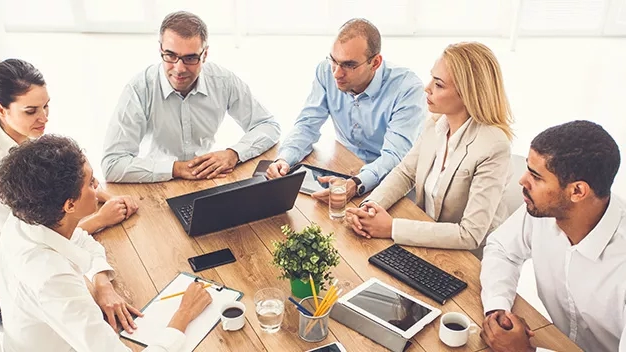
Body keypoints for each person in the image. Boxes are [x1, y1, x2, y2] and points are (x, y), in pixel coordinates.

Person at [0, 59, 138, 326]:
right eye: (32, 111)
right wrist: (101, 219)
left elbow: (66, 181)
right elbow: (35, 237)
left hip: (36, 254)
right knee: (108, 308)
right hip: (2, 280)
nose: (44, 118)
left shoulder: (26, 135)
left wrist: (107, 197)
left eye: (46, 106)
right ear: (0, 109)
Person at [0, 134, 212, 351]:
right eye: (90, 183)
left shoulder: (25, 216)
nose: (98, 185)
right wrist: (183, 316)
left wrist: (102, 284)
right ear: (69, 205)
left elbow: (83, 241)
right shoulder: (52, 279)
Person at [345, 42, 513, 255]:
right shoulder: (435, 123)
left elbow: (470, 234)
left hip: (469, 259)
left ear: (468, 94)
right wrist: (370, 207)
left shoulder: (493, 147)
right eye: (432, 78)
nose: (427, 87)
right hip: (424, 244)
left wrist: (391, 228)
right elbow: (405, 173)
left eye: (439, 85)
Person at [479, 121, 624, 352]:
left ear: (577, 191)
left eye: (536, 177)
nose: (522, 180)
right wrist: (497, 307)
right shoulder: (548, 212)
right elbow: (502, 249)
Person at [101, 11, 280, 183]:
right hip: (155, 183)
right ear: (160, 50)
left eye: (190, 58)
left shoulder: (223, 81)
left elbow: (268, 126)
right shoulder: (139, 89)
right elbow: (112, 164)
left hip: (208, 180)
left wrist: (234, 153)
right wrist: (176, 168)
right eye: (170, 55)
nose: (179, 69)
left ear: (205, 55)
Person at [266, 18, 426, 203]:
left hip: (392, 179)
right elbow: (307, 125)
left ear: (375, 63)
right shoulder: (326, 71)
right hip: (344, 167)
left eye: (349, 65)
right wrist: (284, 159)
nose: (336, 73)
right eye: (334, 60)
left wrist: (356, 183)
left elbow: (396, 156)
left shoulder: (407, 87)